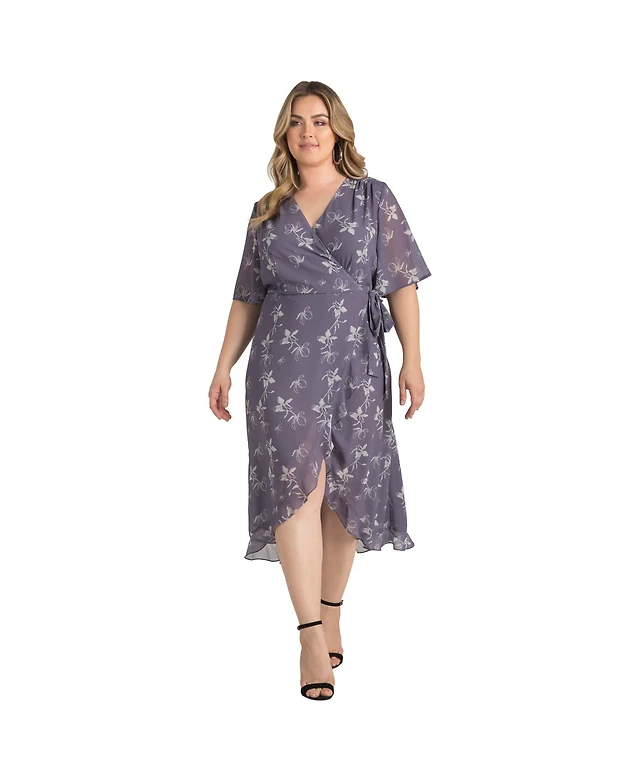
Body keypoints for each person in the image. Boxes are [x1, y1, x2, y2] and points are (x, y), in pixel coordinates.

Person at [209, 81, 432, 700]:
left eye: (320, 120)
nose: (308, 132)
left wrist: (413, 359)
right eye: (297, 122)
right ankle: (310, 635)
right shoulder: (267, 211)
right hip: (281, 369)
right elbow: (247, 296)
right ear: (284, 134)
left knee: (344, 497)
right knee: (297, 492)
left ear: (338, 131)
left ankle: (332, 608)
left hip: (357, 362)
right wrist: (223, 365)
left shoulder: (373, 198)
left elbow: (402, 284)